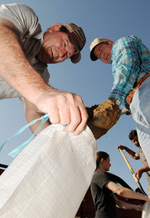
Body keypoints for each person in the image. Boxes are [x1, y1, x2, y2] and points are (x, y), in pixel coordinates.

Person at [0, 3, 88, 135]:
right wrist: (40, 91)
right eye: (65, 43)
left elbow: (34, 114)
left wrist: (54, 143)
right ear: (54, 28)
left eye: (68, 55)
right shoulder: (26, 18)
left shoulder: (42, 77)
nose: (63, 53)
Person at [89, 36, 150, 167]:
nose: (101, 55)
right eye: (98, 56)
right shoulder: (115, 65)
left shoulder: (122, 43)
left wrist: (113, 102)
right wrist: (128, 105)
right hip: (137, 103)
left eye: (100, 49)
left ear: (110, 42)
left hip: (146, 86)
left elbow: (128, 66)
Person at [91, 151, 150, 218]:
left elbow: (118, 203)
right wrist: (145, 197)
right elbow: (120, 190)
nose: (110, 164)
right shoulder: (100, 175)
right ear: (102, 161)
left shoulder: (99, 177)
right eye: (109, 161)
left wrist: (135, 207)